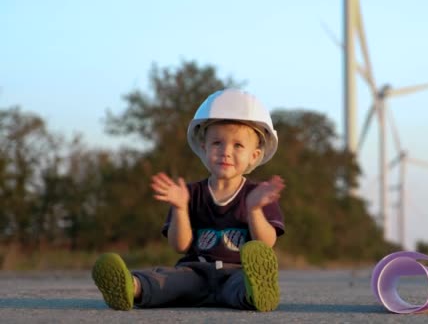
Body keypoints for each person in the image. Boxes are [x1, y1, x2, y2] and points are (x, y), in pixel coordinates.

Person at [91, 88, 285, 312]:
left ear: (254, 155)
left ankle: (257, 293)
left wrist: (254, 211)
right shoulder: (189, 194)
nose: (226, 152)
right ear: (203, 148)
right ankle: (131, 287)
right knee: (167, 279)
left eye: (238, 145)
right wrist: (180, 208)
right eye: (217, 143)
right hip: (196, 272)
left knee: (240, 287)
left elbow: (266, 244)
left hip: (238, 272)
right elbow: (180, 245)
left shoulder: (258, 195)